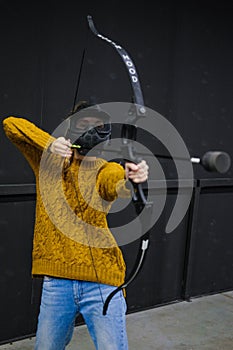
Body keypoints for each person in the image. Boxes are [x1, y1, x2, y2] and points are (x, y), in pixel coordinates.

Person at [3, 103, 149, 350]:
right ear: (71, 127)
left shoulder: (106, 168)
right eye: (84, 123)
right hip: (57, 283)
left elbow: (116, 183)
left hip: (102, 282)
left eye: (98, 124)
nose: (91, 129)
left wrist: (131, 178)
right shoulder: (47, 161)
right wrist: (50, 143)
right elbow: (11, 125)